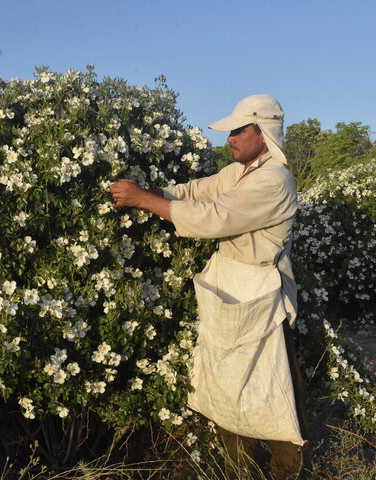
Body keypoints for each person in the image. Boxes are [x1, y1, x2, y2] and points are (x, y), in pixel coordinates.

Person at [110, 94, 307, 480]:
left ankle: (286, 472)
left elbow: (214, 219)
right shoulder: (239, 173)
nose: (230, 137)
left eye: (239, 129)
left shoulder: (273, 180)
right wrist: (148, 193)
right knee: (229, 384)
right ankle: (240, 471)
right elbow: (197, 192)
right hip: (230, 289)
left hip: (262, 294)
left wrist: (144, 200)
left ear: (264, 133)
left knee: (275, 389)